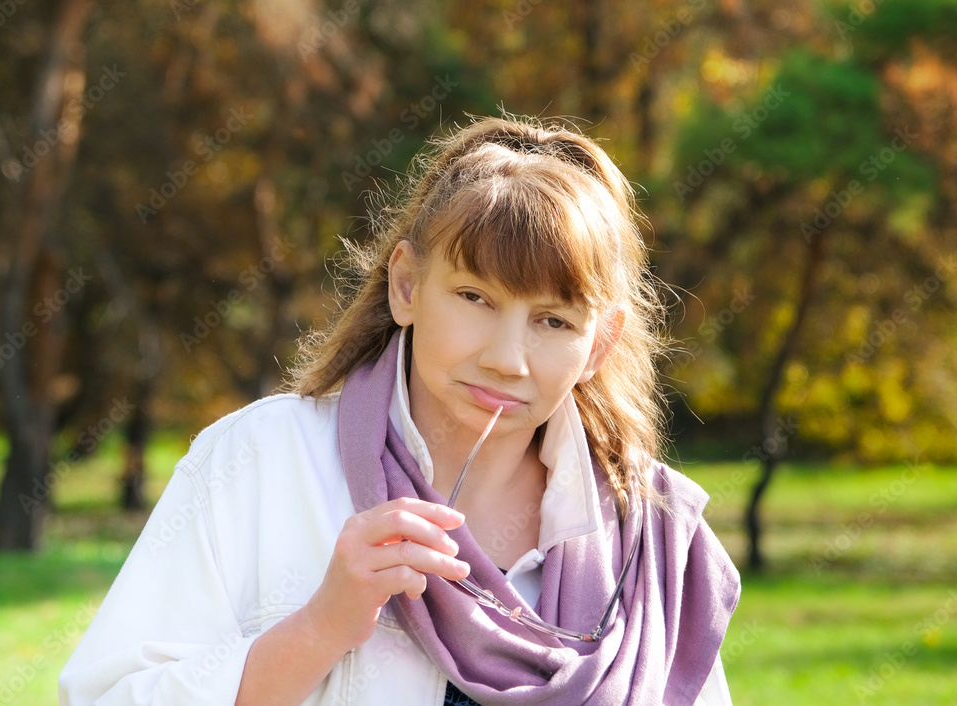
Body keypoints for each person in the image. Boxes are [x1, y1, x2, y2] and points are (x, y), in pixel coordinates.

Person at [60, 116, 740, 705]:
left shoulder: (649, 537)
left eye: (554, 321)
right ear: (407, 285)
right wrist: (320, 628)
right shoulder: (260, 460)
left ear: (601, 344)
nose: (508, 359)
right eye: (475, 298)